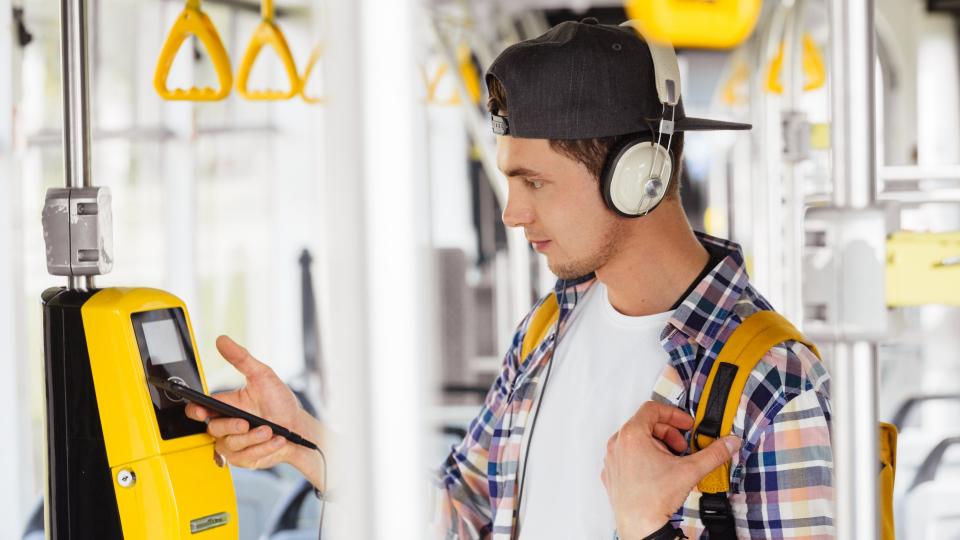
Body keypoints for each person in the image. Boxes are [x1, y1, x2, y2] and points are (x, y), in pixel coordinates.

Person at [191, 16, 834, 540]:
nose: (512, 212)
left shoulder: (772, 382)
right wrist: (305, 440)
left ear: (641, 176)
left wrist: (646, 531)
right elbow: (461, 518)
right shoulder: (548, 329)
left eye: (534, 182)